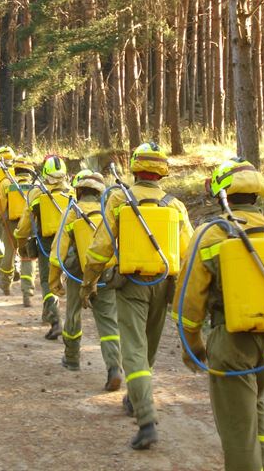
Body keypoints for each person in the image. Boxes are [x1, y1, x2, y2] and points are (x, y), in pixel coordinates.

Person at [173, 158, 264, 471]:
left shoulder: (210, 235)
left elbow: (189, 302)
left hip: (231, 346)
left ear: (219, 194)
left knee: (238, 433)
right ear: (257, 195)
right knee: (256, 406)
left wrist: (192, 347)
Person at [81, 142, 193, 450]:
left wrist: (88, 282)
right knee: (147, 348)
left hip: (130, 284)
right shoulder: (176, 205)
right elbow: (189, 253)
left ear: (134, 167)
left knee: (134, 349)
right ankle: (135, 396)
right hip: (164, 283)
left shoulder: (119, 198)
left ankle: (146, 421)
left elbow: (101, 247)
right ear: (163, 170)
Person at [48, 169, 123, 391]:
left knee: (73, 315)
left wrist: (54, 281)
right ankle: (113, 368)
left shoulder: (72, 211)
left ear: (79, 190)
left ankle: (71, 359)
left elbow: (57, 250)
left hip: (77, 274)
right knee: (109, 322)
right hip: (105, 274)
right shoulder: (108, 211)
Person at [15, 155, 73, 340]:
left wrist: (19, 239)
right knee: (69, 282)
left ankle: (55, 320)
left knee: (48, 282)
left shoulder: (37, 193)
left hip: (47, 243)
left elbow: (25, 223)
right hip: (71, 242)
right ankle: (59, 318)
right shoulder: (72, 192)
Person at [0, 156, 36, 306]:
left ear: (15, 169)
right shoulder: (35, 186)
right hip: (29, 224)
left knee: (9, 253)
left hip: (10, 224)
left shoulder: (6, 183)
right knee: (27, 257)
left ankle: (5, 285)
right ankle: (27, 293)